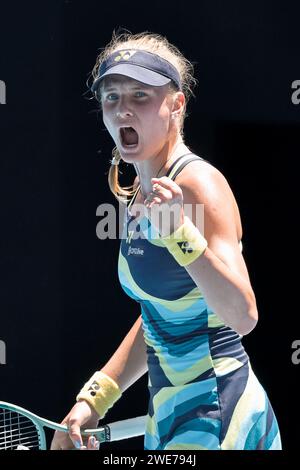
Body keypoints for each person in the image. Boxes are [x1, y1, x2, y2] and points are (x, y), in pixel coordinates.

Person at [51, 31, 282, 450]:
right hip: (171, 416)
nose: (123, 109)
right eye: (112, 96)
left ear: (176, 105)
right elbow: (161, 313)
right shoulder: (142, 192)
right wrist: (96, 396)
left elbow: (242, 316)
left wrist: (179, 233)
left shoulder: (198, 185)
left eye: (140, 96)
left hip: (218, 416)